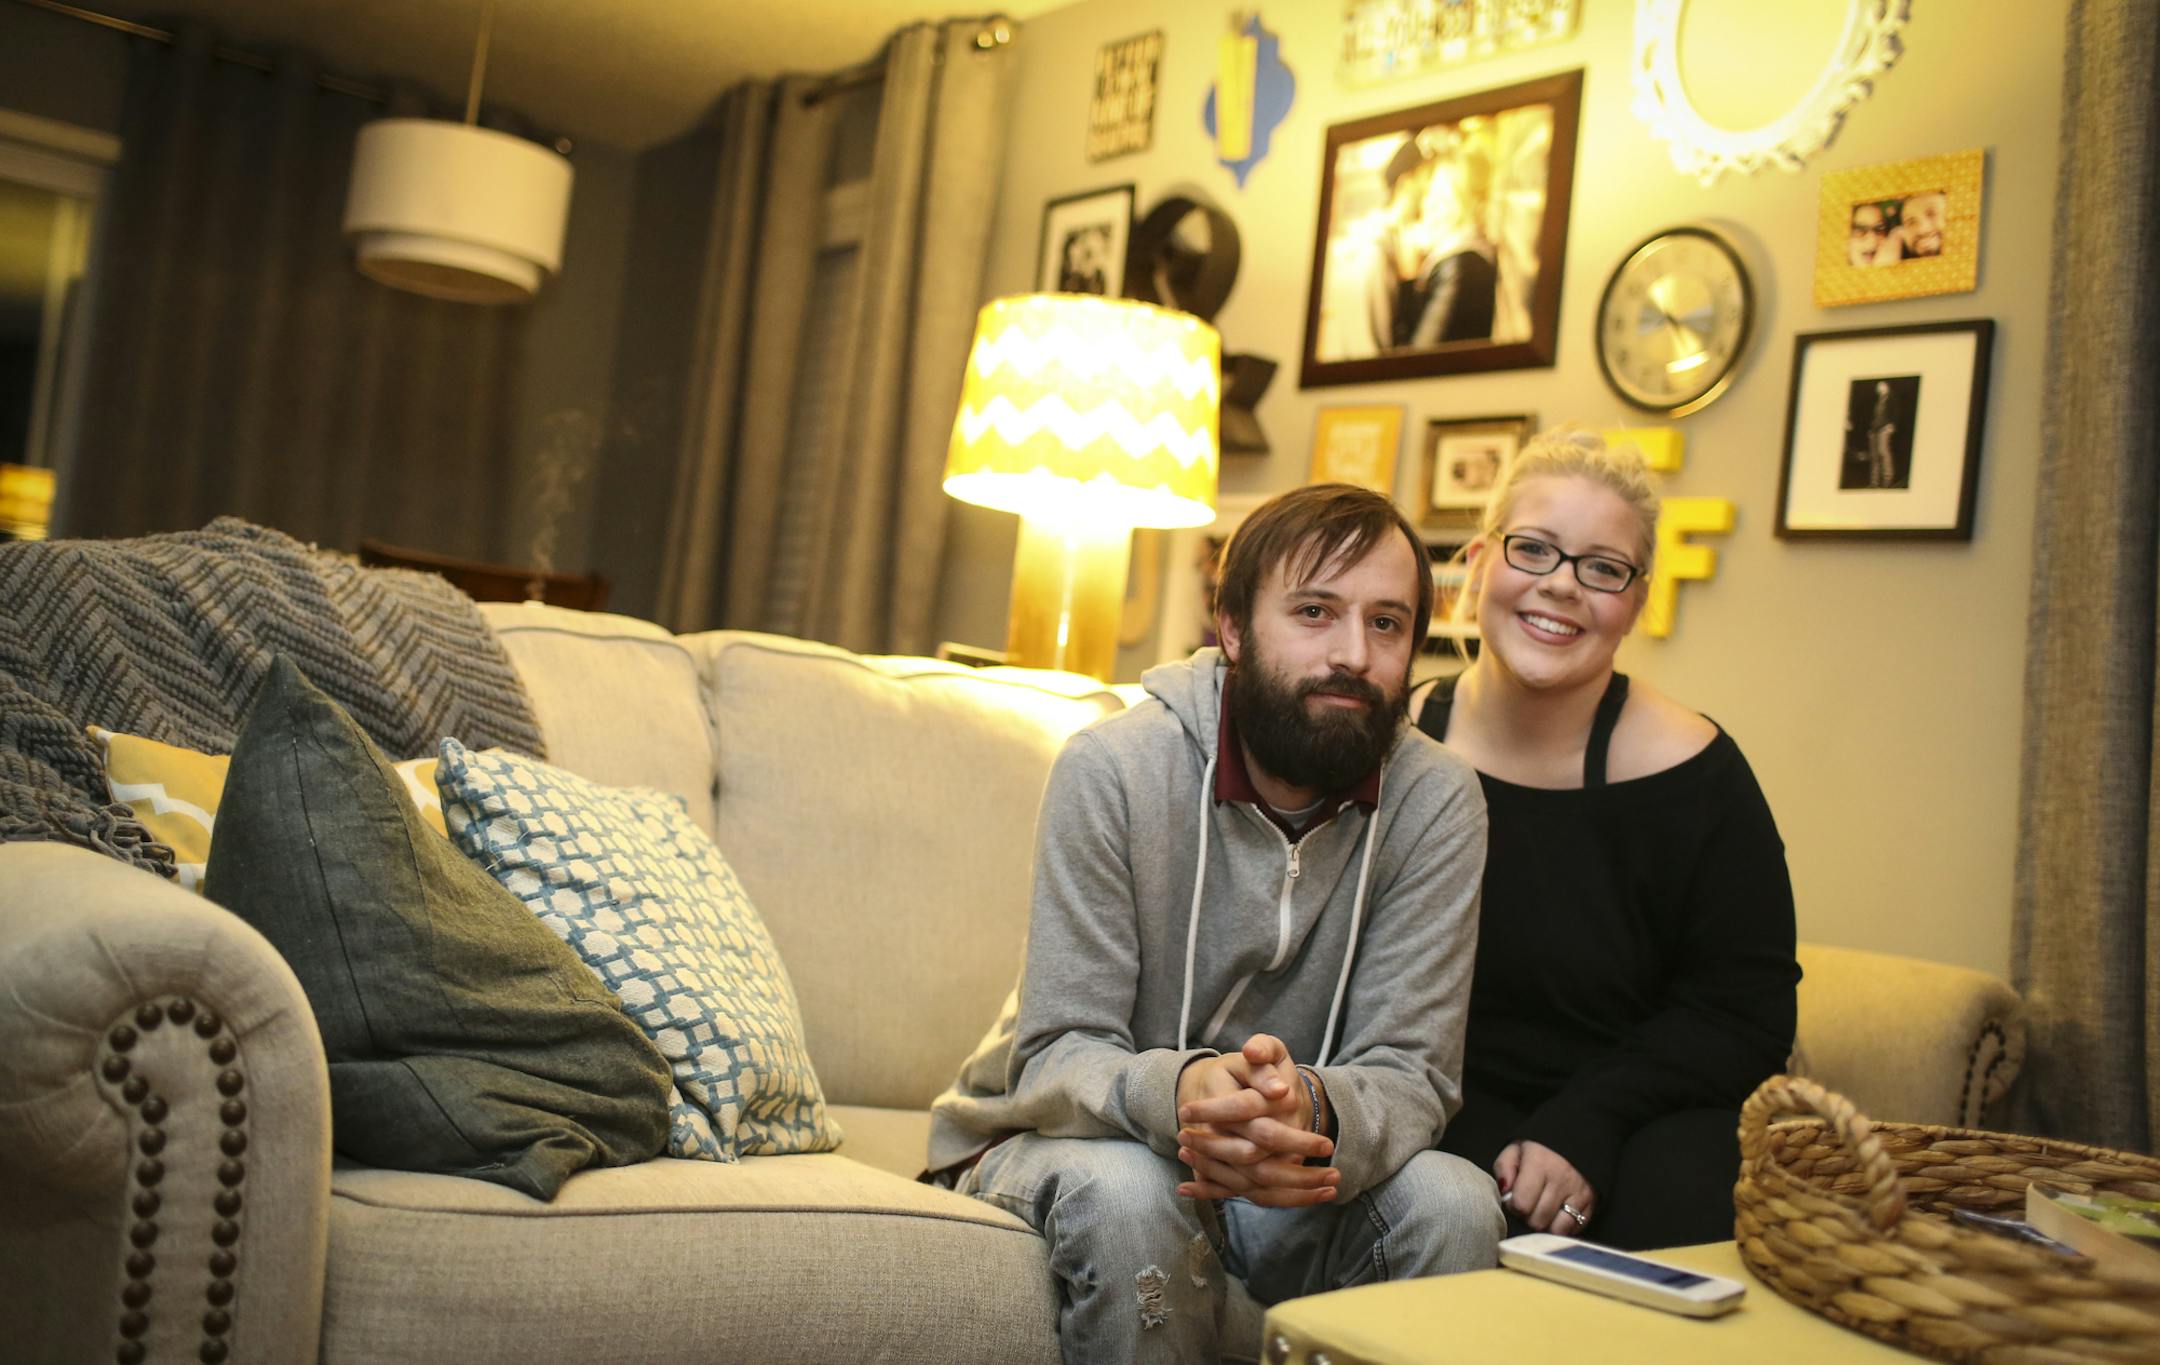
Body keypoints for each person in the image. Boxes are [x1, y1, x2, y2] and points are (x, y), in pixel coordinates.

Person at [930, 484, 1502, 1362]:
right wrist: (1193, 1090)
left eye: (1388, 623)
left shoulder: (1437, 801)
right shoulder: (1115, 769)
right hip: (1081, 1143)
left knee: (1456, 1200)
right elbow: (1059, 1048)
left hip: (1297, 1166)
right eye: (1315, 611)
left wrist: (1304, 1106)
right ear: (1232, 627)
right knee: (1129, 1195)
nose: (1354, 652)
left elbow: (1413, 1071)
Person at [1410, 428, 1799, 1252]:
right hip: (1429, 1104)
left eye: (1603, 567)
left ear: (1638, 599)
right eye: (1534, 549)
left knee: (1692, 1194)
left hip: (1638, 1114)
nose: (1562, 587)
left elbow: (1743, 1014)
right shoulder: (1390, 744)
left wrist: (1586, 1126)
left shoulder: (1698, 774)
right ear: (1479, 562)